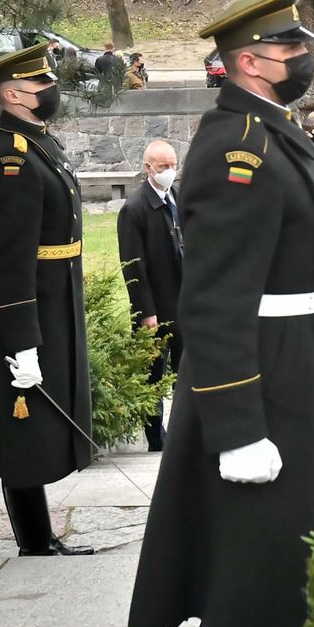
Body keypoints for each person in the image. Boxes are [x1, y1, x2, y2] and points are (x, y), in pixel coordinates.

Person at [128, 0, 314, 627]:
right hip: (261, 366)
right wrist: (239, 427)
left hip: (289, 353)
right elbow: (214, 299)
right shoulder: (237, 146)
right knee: (254, 548)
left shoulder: (268, 131)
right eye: (291, 45)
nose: (304, 54)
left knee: (273, 536)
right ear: (250, 59)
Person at [0, 44, 93, 557]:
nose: (51, 91)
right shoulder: (9, 156)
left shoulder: (37, 142)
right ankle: (34, 541)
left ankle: (40, 536)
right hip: (28, 304)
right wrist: (22, 342)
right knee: (22, 429)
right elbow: (12, 258)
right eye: (42, 85)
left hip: (56, 293)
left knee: (35, 426)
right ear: (14, 94)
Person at [116, 140, 184, 452]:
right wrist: (146, 312)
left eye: (173, 165)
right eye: (163, 167)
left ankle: (186, 430)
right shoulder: (134, 209)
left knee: (186, 373)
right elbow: (133, 267)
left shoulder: (176, 197)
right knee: (154, 376)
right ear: (148, 168)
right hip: (155, 309)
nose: (170, 171)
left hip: (183, 305)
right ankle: (155, 437)